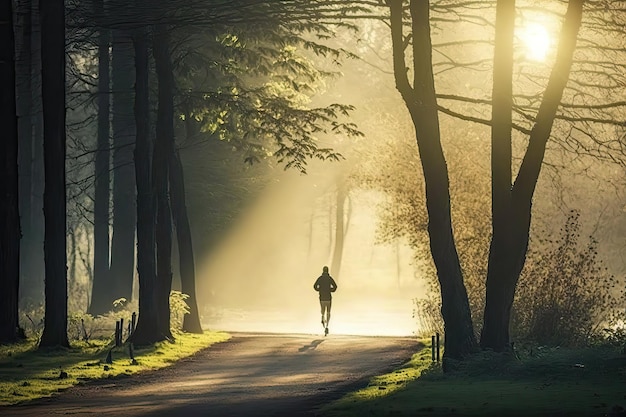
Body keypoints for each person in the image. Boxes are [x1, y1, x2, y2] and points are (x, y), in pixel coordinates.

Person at [313, 266, 337, 336]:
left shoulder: (320, 278)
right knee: (329, 312)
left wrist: (319, 290)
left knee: (322, 310)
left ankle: (322, 317)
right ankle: (327, 326)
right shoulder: (329, 278)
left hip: (322, 297)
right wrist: (330, 290)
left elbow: (314, 286)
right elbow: (335, 287)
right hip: (328, 298)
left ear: (323, 271)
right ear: (328, 271)